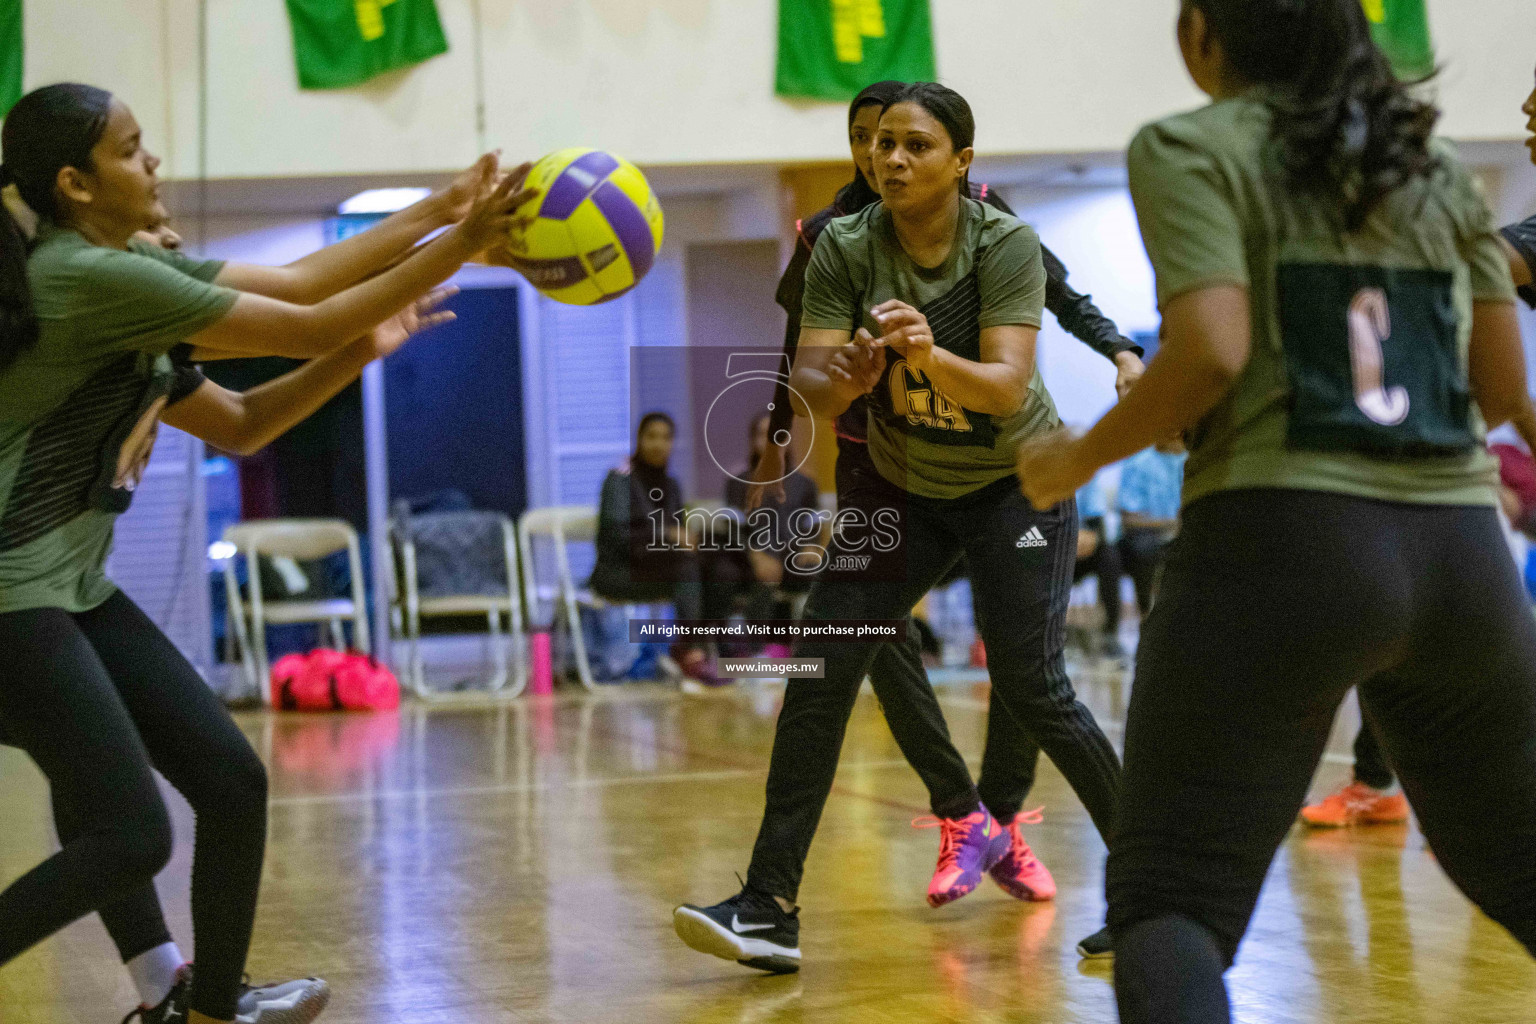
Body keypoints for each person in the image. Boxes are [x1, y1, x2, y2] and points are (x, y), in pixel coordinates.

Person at [1016, 3, 1536, 1018]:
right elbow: (1501, 385)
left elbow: (1211, 347)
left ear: (1205, 34)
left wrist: (1072, 456)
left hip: (1284, 543)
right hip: (1462, 558)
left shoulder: (1188, 143)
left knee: (1171, 902)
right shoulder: (1428, 167)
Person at [0, 83, 527, 1024]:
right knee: (128, 828)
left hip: (67, 589)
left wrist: (437, 225)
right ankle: (173, 991)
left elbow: (246, 416)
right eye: (131, 150)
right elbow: (308, 310)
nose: (153, 162)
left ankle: (202, 1005)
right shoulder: (88, 277)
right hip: (9, 603)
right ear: (76, 185)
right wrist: (462, 242)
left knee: (229, 782)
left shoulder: (133, 288)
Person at [674, 83, 1123, 974]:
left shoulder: (1005, 243)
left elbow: (1001, 386)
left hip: (1015, 484)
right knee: (820, 668)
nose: (891, 158)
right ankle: (767, 906)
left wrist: (925, 354)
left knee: (1033, 687)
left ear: (962, 163)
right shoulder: (841, 243)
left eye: (915, 145)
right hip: (901, 485)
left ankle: (1158, 891)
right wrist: (843, 373)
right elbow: (810, 387)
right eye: (880, 143)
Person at [591, 412, 740, 687]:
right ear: (639, 440)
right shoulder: (619, 480)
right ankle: (691, 652)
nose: (658, 444)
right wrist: (666, 533)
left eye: (665, 437)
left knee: (722, 568)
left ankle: (713, 646)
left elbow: (679, 539)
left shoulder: (671, 486)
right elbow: (616, 537)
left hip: (661, 569)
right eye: (651, 436)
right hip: (619, 572)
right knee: (686, 567)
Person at [723, 411, 821, 650]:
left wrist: (811, 545)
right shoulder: (738, 483)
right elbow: (733, 528)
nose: (769, 441)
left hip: (792, 558)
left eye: (776, 435)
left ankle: (812, 651)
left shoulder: (804, 483)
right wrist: (755, 556)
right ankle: (754, 652)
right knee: (733, 570)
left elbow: (812, 525)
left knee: (818, 568)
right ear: (752, 440)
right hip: (750, 558)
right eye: (761, 435)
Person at [1114, 440, 1186, 618]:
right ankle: (1147, 612)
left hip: (1183, 530)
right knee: (1144, 546)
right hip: (1146, 536)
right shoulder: (1138, 462)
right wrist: (1170, 524)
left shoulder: (1189, 460)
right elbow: (1128, 519)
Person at [1071, 471, 1124, 658]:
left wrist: (1092, 538)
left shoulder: (1085, 475)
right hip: (1045, 550)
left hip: (1078, 554)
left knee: (1109, 555)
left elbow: (1098, 525)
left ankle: (1110, 635)